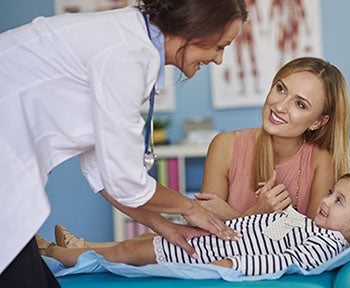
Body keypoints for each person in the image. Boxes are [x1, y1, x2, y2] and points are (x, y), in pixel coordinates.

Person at [0, 0, 247, 286]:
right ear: (195, 28)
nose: (218, 60)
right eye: (220, 46)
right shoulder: (127, 53)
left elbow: (103, 170)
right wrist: (189, 208)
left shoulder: (130, 41)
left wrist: (164, 226)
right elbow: (125, 180)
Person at [38, 172, 350, 276]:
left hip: (207, 256)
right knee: (136, 247)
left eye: (339, 201)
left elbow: (281, 262)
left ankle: (55, 251)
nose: (325, 200)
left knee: (128, 251)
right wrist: (233, 221)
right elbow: (260, 229)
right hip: (212, 242)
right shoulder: (312, 227)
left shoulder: (325, 245)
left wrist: (227, 266)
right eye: (332, 192)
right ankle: (81, 246)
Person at [195, 57, 350, 221]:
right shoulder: (224, 146)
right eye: (281, 89)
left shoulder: (322, 160)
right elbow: (207, 235)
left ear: (318, 122)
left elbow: (314, 241)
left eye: (300, 104)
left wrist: (240, 216)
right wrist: (256, 214)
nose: (279, 106)